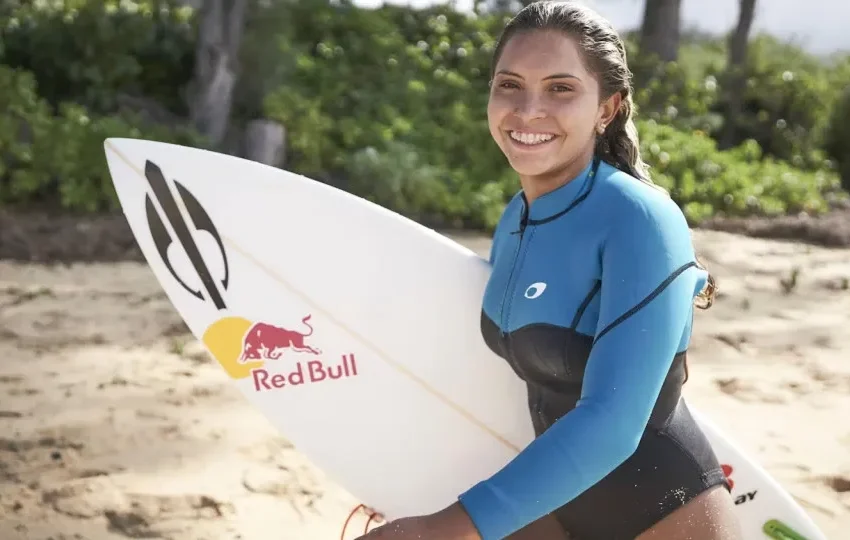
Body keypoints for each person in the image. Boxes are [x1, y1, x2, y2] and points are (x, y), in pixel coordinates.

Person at [356, 1, 744, 539]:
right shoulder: (516, 216)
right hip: (551, 502)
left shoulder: (640, 220)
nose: (528, 109)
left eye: (560, 88)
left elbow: (612, 423)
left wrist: (447, 527)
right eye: (509, 85)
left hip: (663, 515)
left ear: (607, 108)